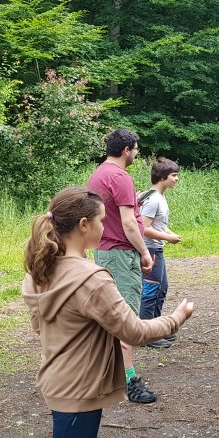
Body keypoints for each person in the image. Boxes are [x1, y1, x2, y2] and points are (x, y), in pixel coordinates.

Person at [22, 186, 193, 438]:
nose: (106, 226)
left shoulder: (41, 270)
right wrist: (177, 318)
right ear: (84, 225)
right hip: (78, 390)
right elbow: (134, 331)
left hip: (62, 382)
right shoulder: (91, 278)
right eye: (102, 221)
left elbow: (42, 326)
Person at [87, 128, 157, 404]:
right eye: (136, 149)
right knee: (124, 318)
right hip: (120, 253)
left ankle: (105, 373)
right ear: (126, 150)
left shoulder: (99, 173)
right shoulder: (119, 176)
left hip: (105, 251)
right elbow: (128, 224)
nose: (137, 154)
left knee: (109, 315)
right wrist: (145, 253)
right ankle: (128, 381)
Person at [140, 157, 182, 349]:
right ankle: (146, 335)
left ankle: (157, 329)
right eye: (174, 175)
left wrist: (169, 233)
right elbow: (144, 228)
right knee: (151, 291)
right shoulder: (153, 199)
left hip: (158, 249)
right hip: (150, 250)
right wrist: (167, 238)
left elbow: (158, 225)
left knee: (161, 288)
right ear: (162, 176)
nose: (176, 179)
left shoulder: (159, 197)